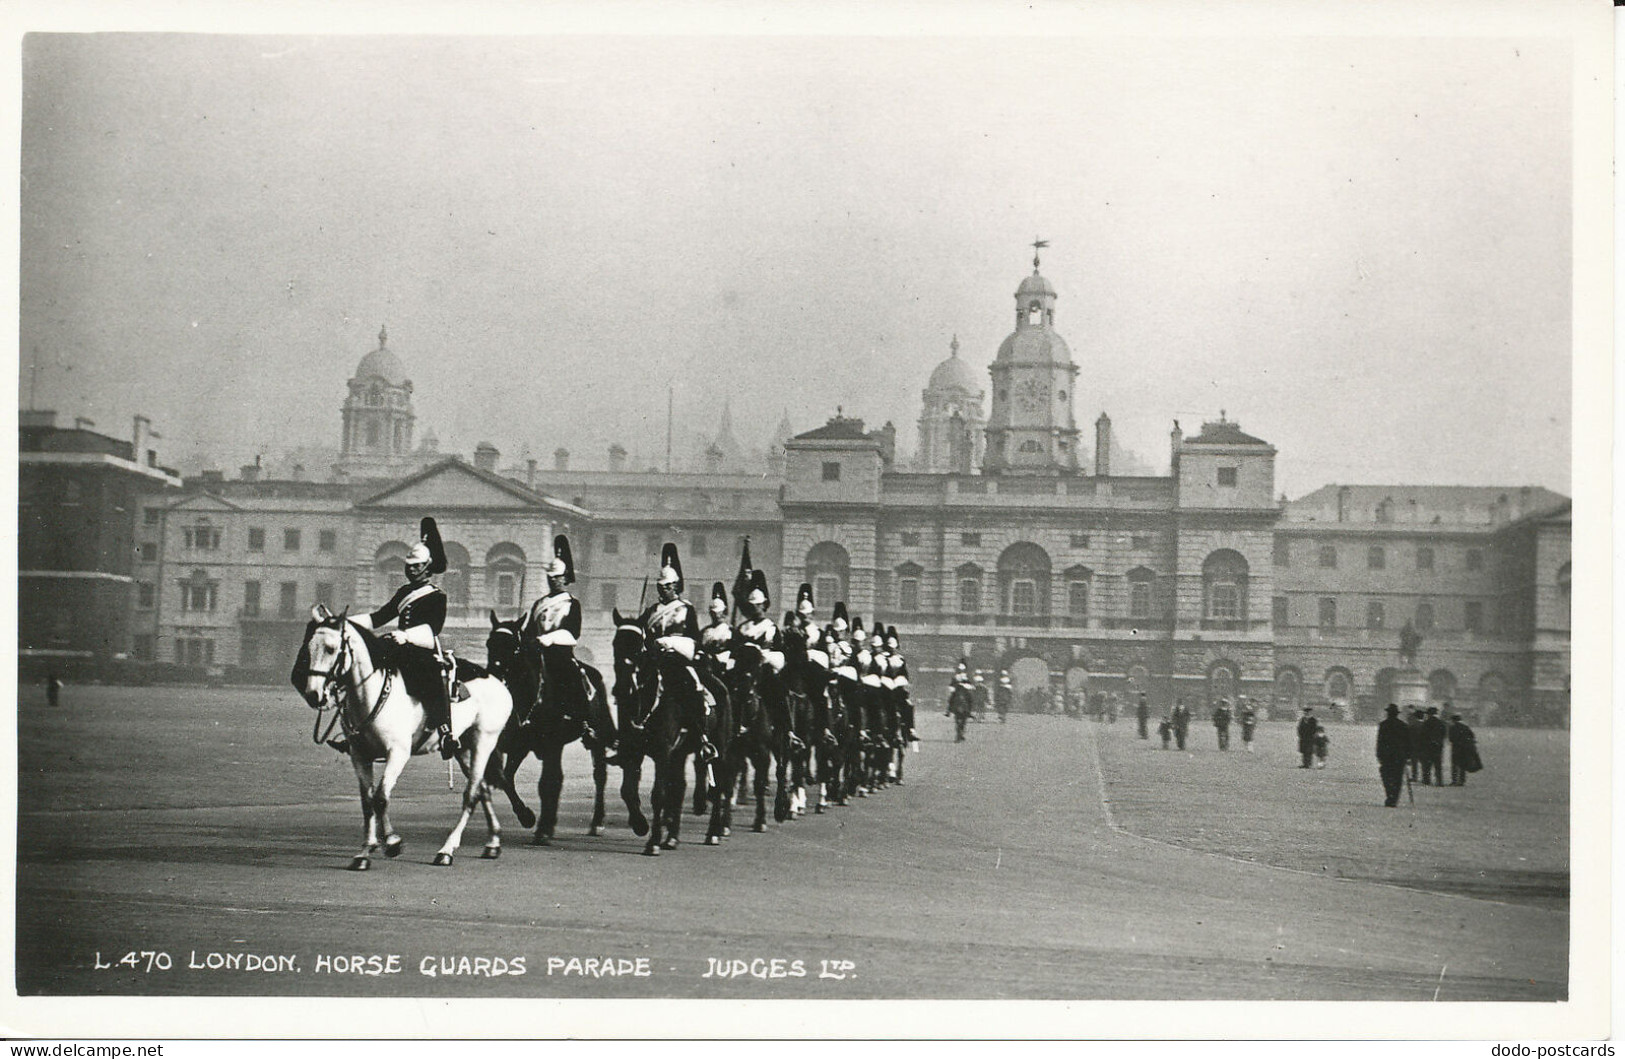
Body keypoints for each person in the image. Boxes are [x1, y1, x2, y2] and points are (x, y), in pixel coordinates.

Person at [352, 517, 457, 758]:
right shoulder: (403, 592)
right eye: (409, 565)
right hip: (398, 646)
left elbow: (433, 629)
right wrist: (346, 622)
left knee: (430, 675)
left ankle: (444, 730)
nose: (411, 569)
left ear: (427, 568)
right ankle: (358, 729)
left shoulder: (436, 596)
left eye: (416, 566)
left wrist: (406, 636)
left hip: (421, 649)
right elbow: (379, 617)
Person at [525, 534, 619, 756]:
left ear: (565, 578)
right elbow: (530, 630)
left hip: (560, 655)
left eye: (557, 578)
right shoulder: (539, 604)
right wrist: (528, 641)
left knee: (580, 678)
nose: (553, 581)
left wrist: (547, 639)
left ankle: (586, 724)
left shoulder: (571, 604)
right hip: (537, 655)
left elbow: (572, 633)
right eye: (551, 577)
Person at [638, 543, 715, 760]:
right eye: (661, 587)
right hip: (656, 661)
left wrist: (669, 643)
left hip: (679, 662)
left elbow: (694, 640)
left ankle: (703, 739)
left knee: (695, 688)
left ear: (675, 586)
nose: (664, 590)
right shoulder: (652, 611)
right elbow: (642, 634)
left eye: (668, 586)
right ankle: (631, 734)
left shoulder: (686, 609)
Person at [1375, 703, 1410, 807]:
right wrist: (1408, 756)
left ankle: (1389, 795)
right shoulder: (1403, 725)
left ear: (1388, 713)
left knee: (1386, 777)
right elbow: (1408, 742)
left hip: (1386, 756)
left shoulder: (1383, 725)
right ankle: (1394, 798)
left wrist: (1379, 755)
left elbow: (1380, 741)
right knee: (1398, 778)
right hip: (1400, 756)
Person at [1447, 713, 1481, 785]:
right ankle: (1462, 781)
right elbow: (1472, 736)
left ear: (1453, 720)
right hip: (1465, 748)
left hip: (1456, 748)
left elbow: (1451, 739)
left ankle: (1454, 780)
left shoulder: (1452, 727)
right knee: (1463, 765)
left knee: (1455, 765)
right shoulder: (1466, 727)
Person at [1420, 706, 1448, 785]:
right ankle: (1439, 781)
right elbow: (1444, 734)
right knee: (1438, 764)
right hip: (1438, 746)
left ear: (1429, 714)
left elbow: (1423, 735)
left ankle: (1427, 780)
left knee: (1427, 764)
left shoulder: (1426, 723)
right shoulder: (1441, 723)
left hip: (1428, 746)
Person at [1406, 708, 1425, 781]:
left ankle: (1415, 777)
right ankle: (1425, 777)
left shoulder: (1412, 726)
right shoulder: (1426, 725)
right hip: (1423, 747)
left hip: (1414, 747)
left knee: (1414, 763)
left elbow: (1409, 738)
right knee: (1424, 763)